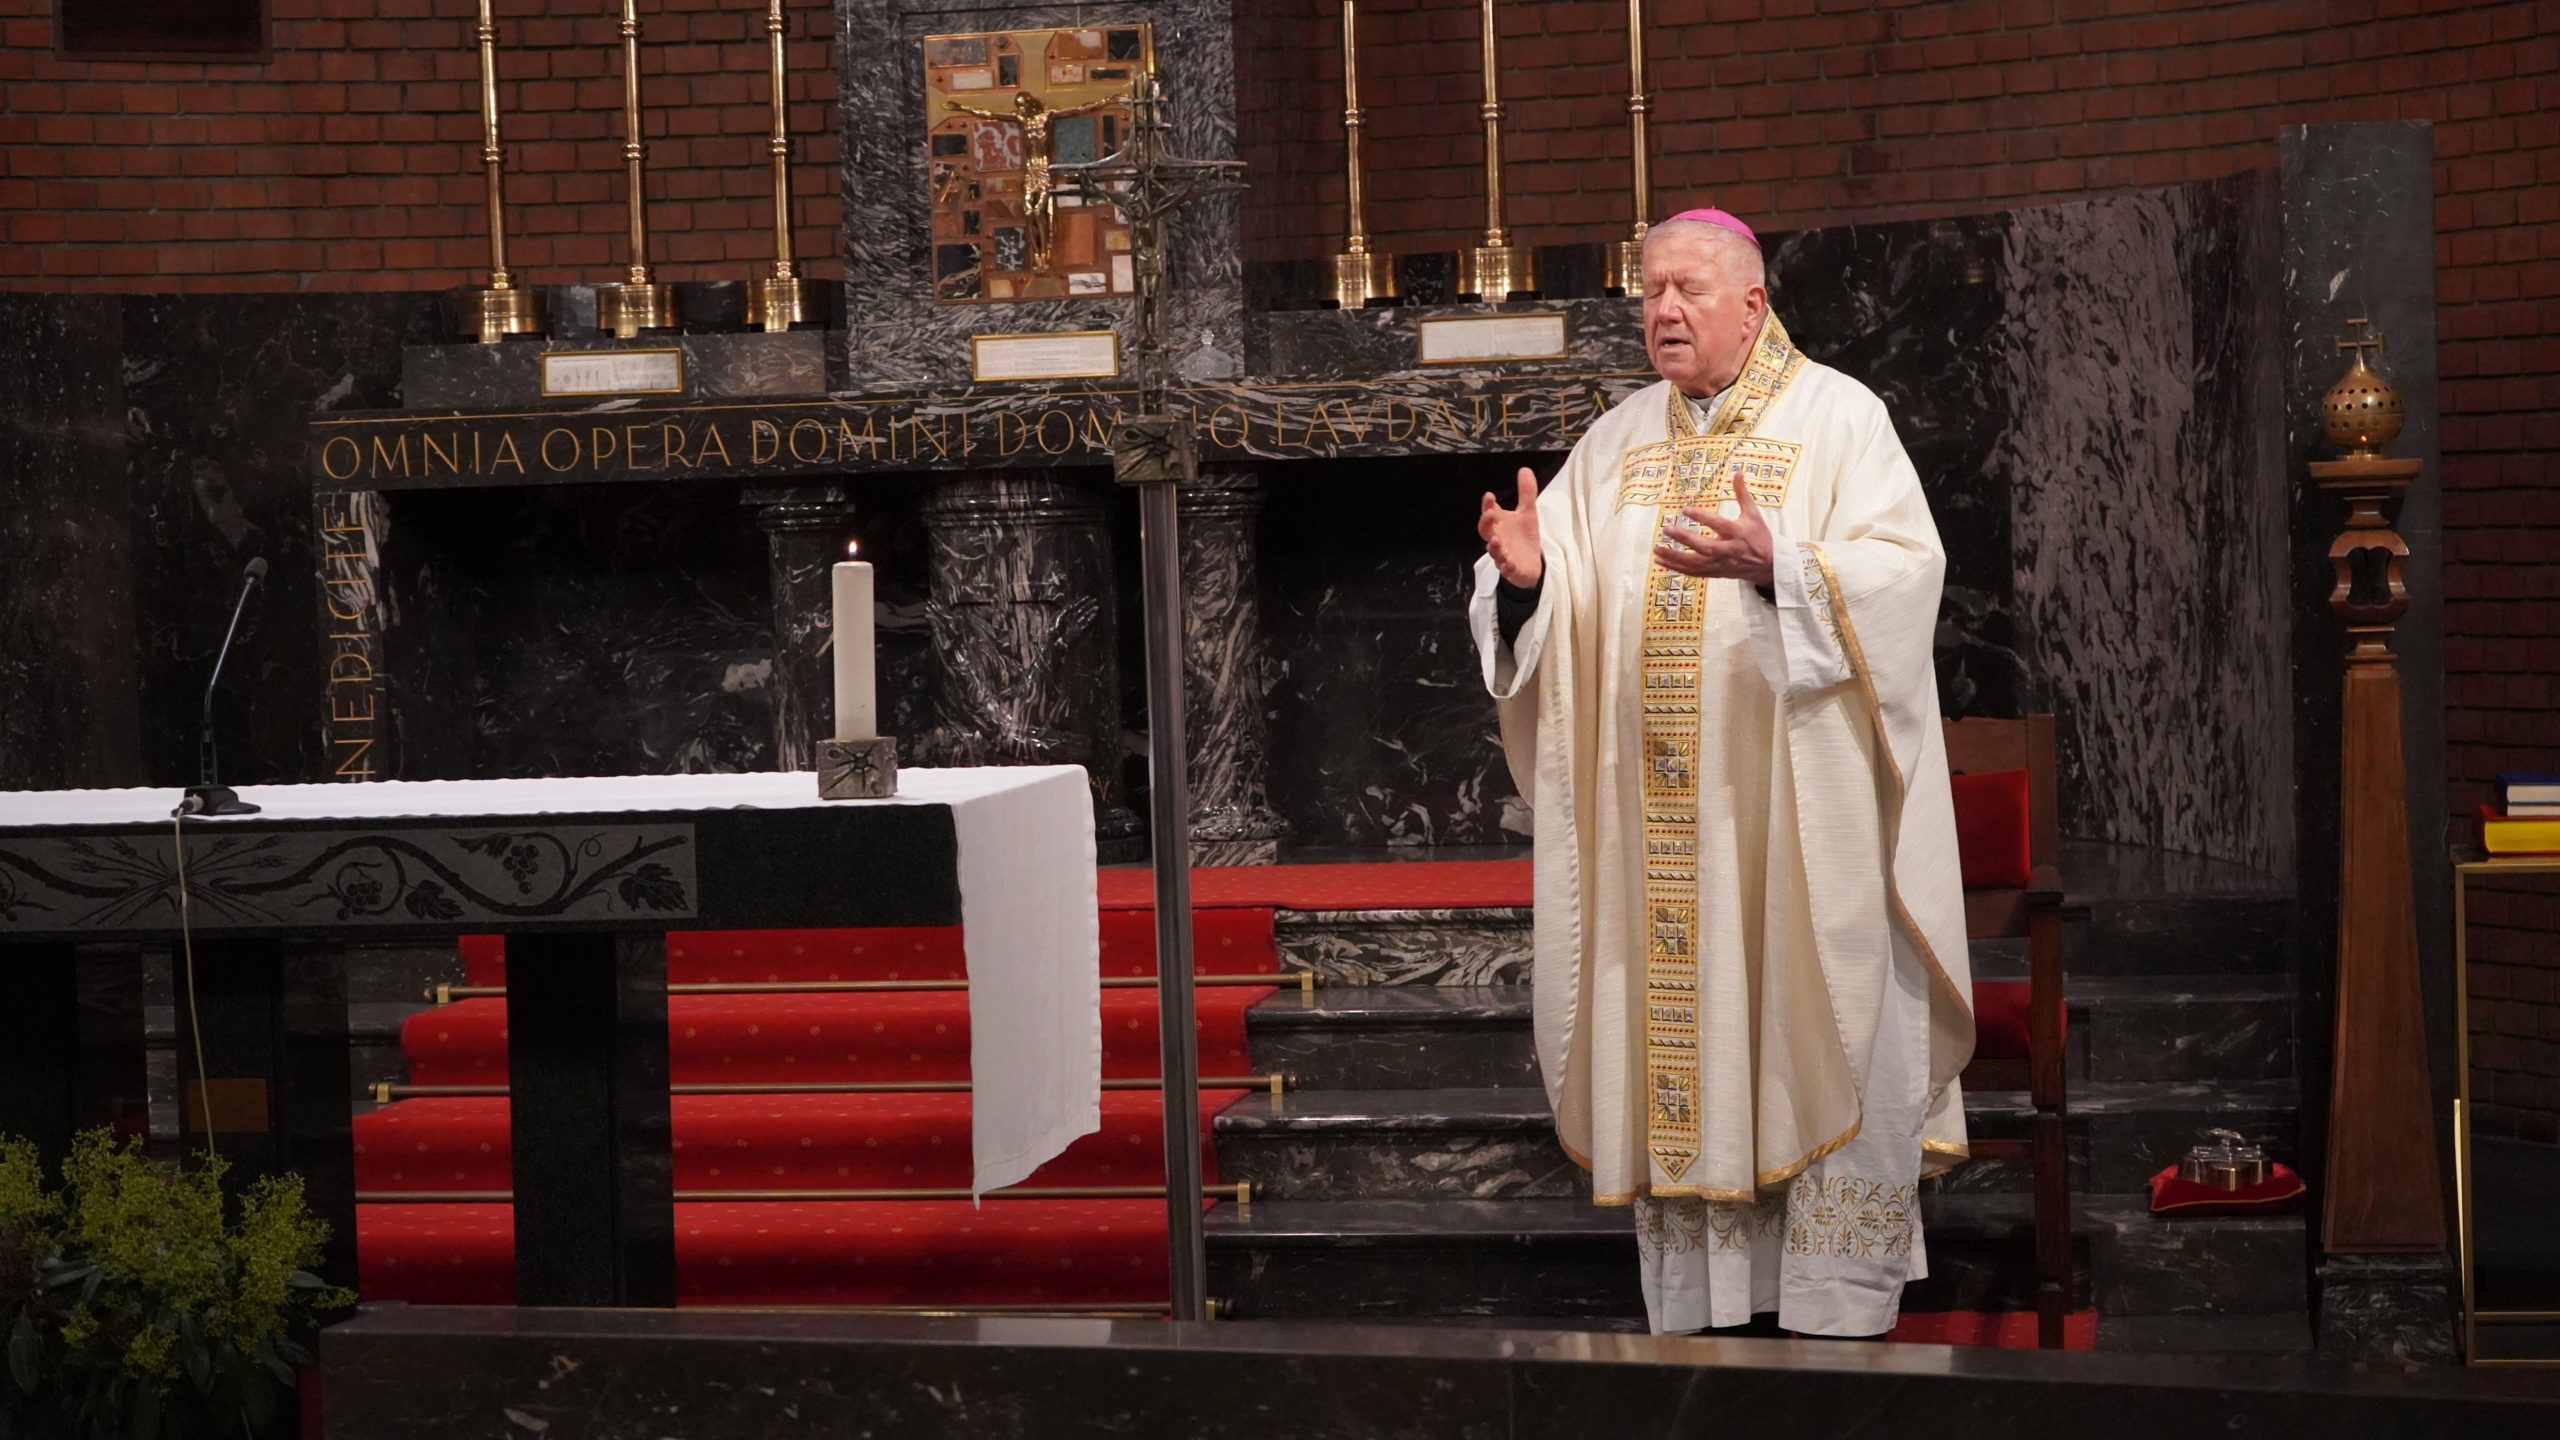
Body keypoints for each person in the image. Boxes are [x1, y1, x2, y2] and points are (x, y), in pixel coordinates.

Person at [1468, 208, 1974, 1337]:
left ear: (1753, 304)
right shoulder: (1615, 443)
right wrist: (1530, 583)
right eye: (1649, 290)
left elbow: (1906, 574)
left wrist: (1783, 565)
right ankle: (1708, 1314)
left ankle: (1834, 1313)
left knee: (1817, 1012)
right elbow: (1560, 598)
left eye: (1687, 289)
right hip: (1661, 842)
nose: (1662, 310)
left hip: (1799, 827)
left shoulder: (1840, 419)